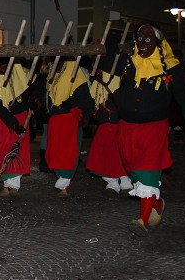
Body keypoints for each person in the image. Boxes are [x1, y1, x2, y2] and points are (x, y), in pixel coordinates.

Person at [108, 24, 185, 236]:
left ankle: (143, 221)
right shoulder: (130, 62)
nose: (143, 41)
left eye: (148, 37)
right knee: (135, 172)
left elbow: (183, 95)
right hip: (127, 128)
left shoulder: (171, 67)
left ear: (158, 42)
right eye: (139, 37)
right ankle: (157, 203)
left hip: (153, 129)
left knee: (148, 171)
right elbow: (106, 61)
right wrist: (110, 42)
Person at [44, 58, 93, 198]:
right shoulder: (52, 77)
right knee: (54, 151)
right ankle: (61, 179)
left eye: (60, 63)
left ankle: (65, 184)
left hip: (69, 122)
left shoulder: (76, 75)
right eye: (55, 63)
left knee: (67, 152)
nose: (57, 65)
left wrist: (66, 105)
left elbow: (84, 100)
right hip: (55, 121)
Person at [0, 59, 31, 196]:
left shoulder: (21, 80)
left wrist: (20, 119)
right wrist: (14, 125)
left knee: (17, 150)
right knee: (2, 150)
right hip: (3, 121)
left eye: (3, 65)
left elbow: (26, 101)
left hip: (20, 119)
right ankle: (6, 182)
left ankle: (13, 185)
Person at [85, 69, 132, 194]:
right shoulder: (98, 80)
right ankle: (112, 181)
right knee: (105, 154)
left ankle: (125, 179)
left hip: (118, 125)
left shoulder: (121, 78)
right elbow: (93, 99)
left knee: (120, 153)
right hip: (105, 125)